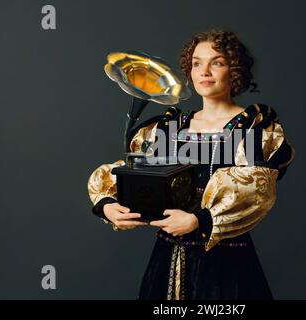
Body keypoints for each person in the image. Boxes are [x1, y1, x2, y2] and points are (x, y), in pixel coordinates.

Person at [87, 29, 295, 300]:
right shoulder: (170, 126)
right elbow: (133, 172)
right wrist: (107, 205)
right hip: (167, 258)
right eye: (197, 63)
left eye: (216, 62)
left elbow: (256, 191)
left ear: (235, 70)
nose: (204, 72)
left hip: (226, 262)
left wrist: (199, 220)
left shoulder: (252, 127)